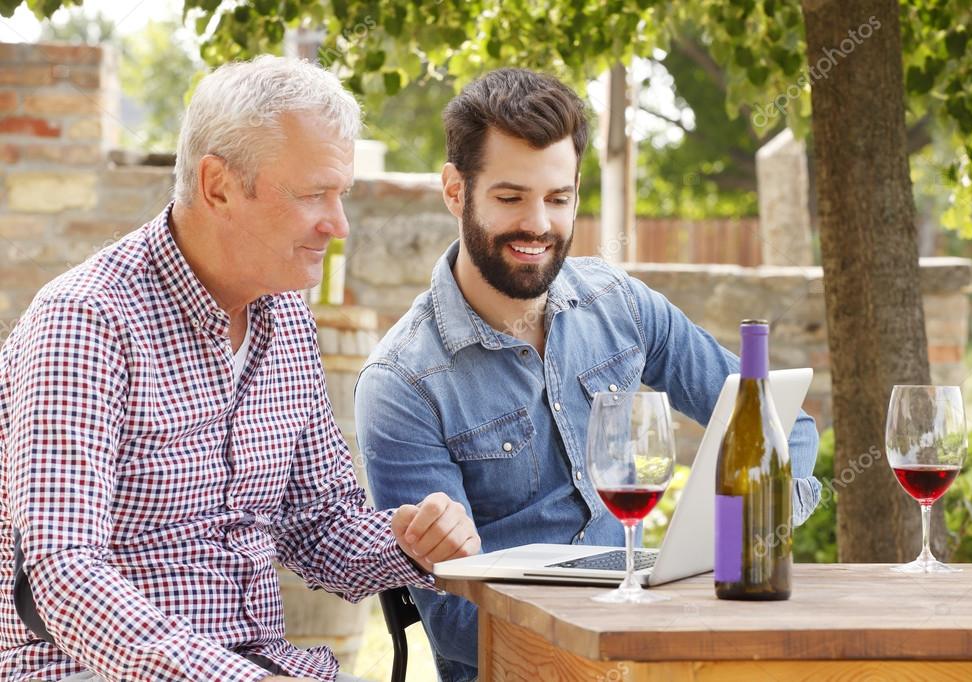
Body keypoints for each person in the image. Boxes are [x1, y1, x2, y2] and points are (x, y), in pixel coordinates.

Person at [0, 56, 478, 682]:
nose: (339, 224)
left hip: (263, 666)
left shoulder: (285, 319)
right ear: (218, 185)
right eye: (313, 194)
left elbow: (317, 525)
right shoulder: (87, 321)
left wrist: (410, 545)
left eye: (341, 195)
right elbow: (62, 572)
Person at [354, 68, 822, 681]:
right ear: (454, 191)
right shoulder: (402, 383)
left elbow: (788, 425)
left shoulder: (620, 306)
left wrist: (736, 542)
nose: (539, 226)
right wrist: (625, 620)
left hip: (644, 654)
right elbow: (458, 625)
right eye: (510, 197)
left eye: (558, 199)